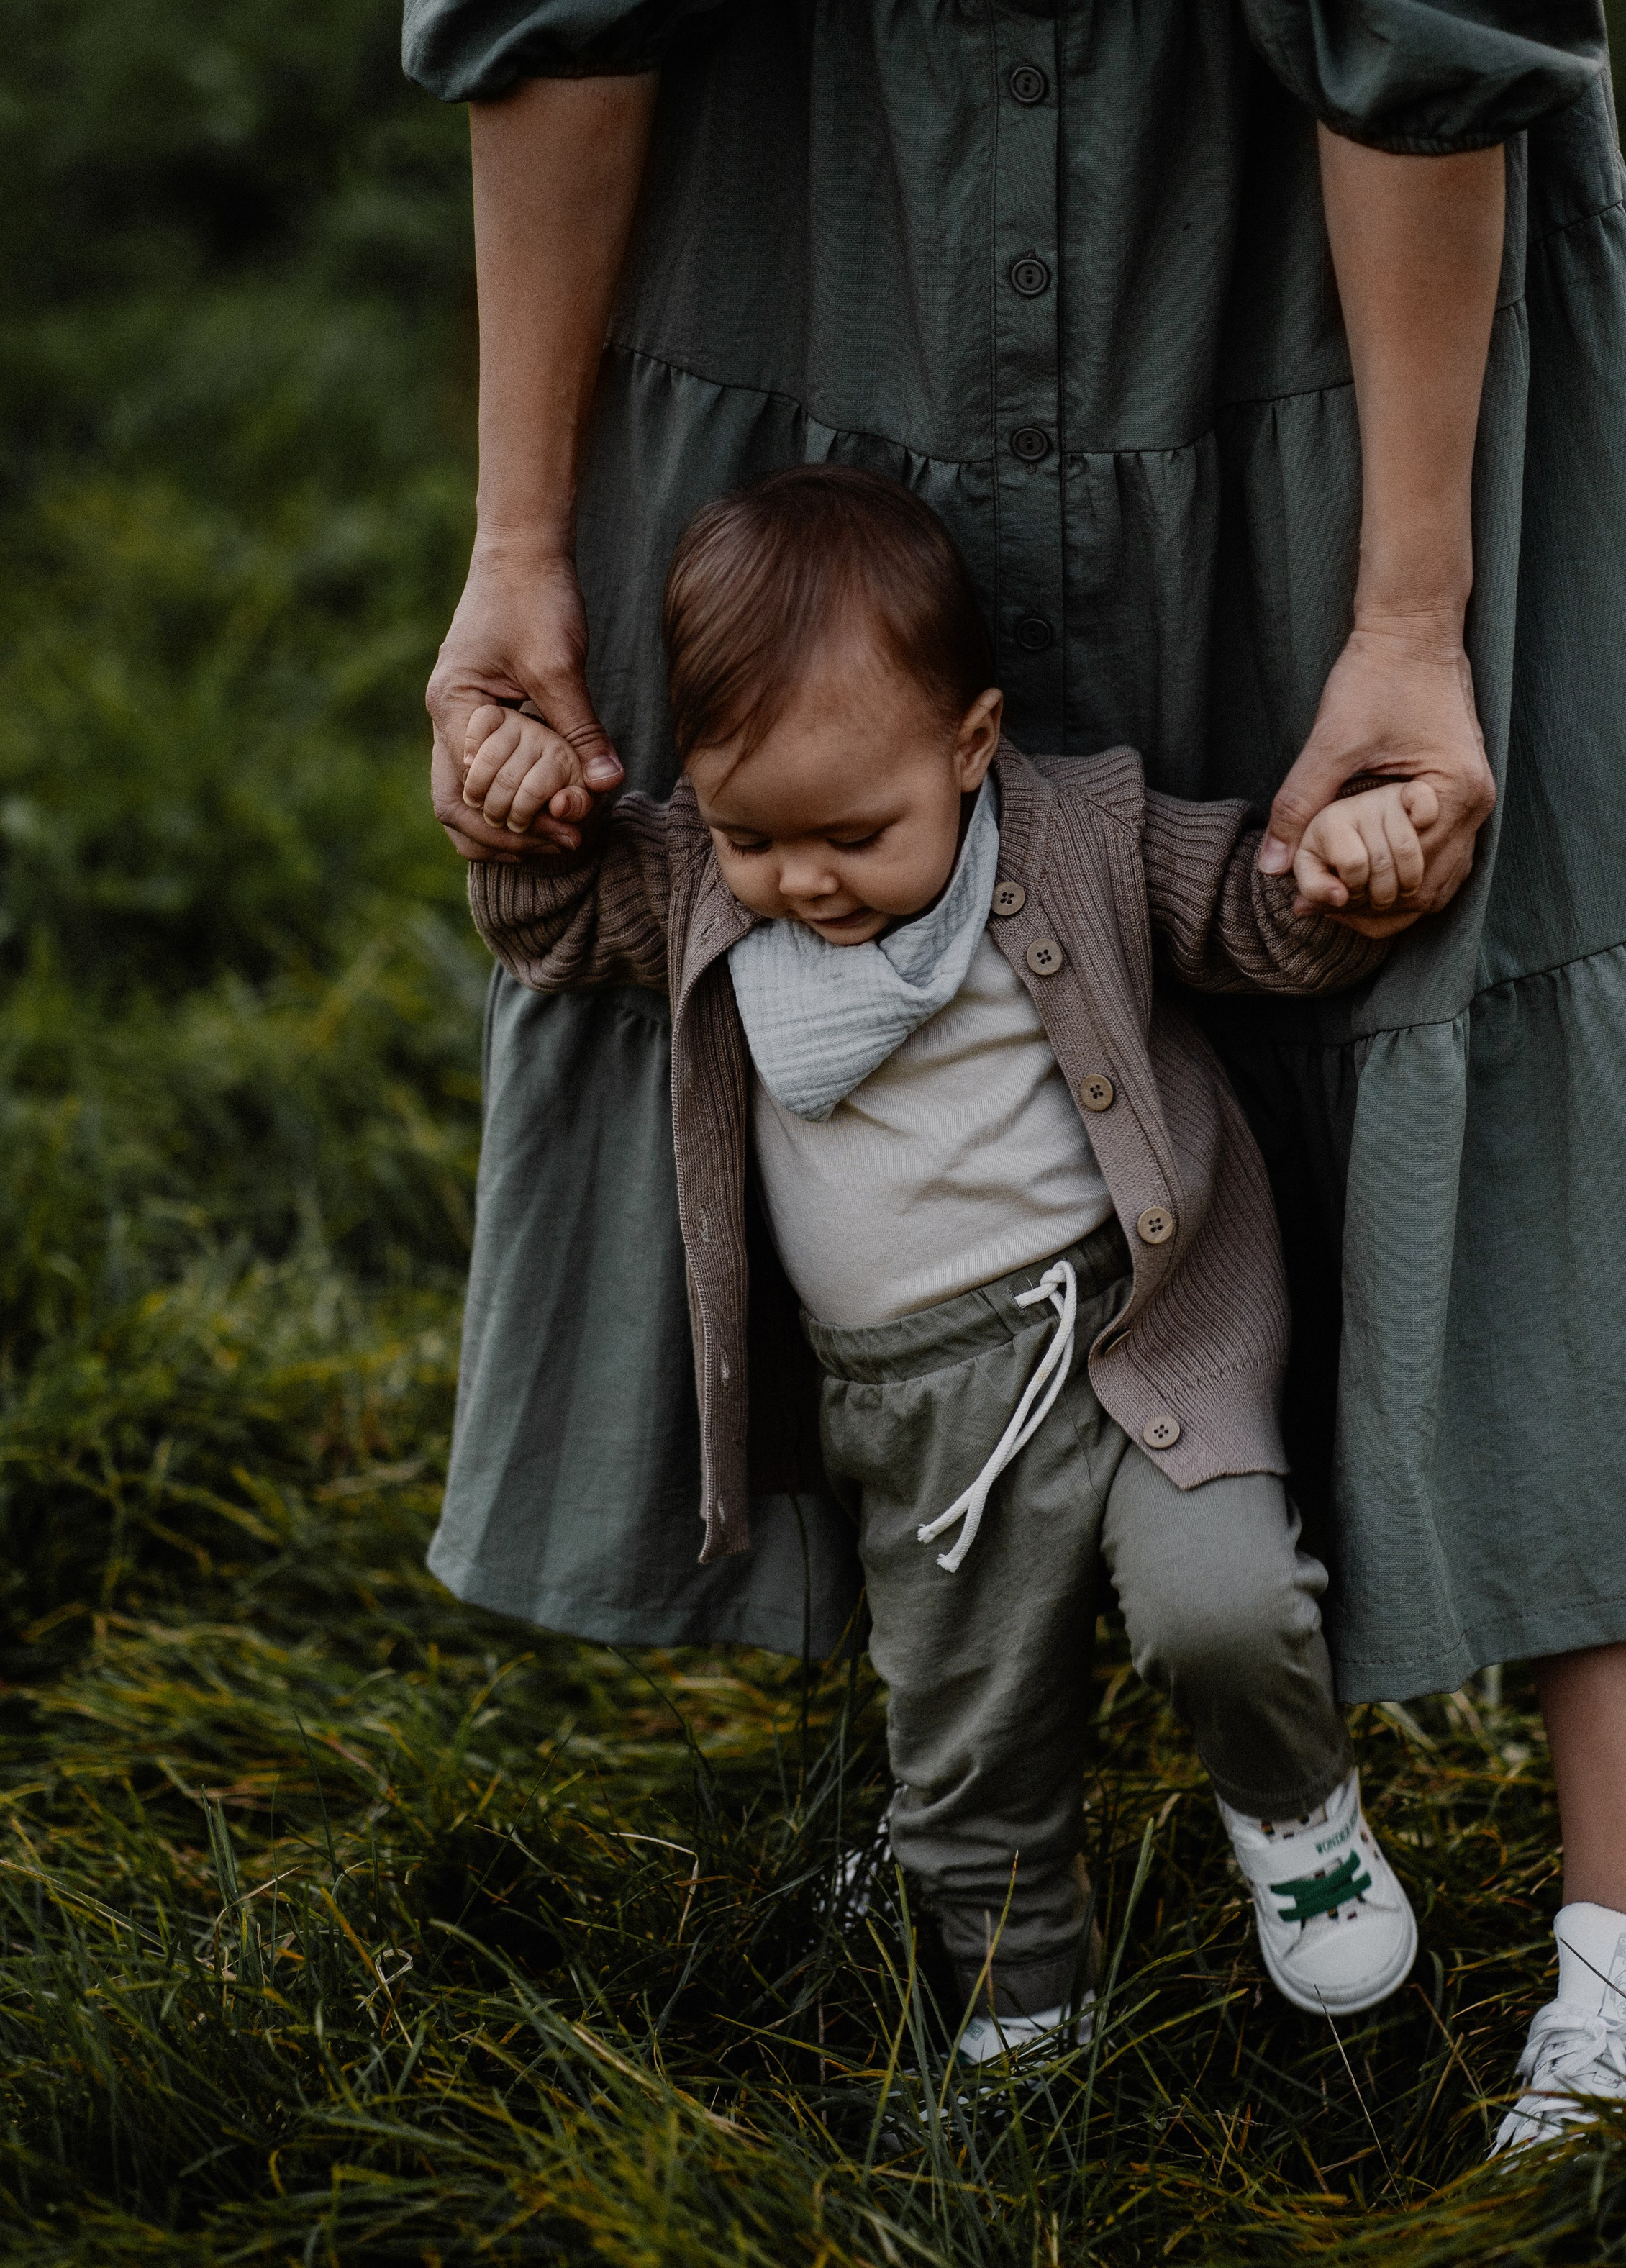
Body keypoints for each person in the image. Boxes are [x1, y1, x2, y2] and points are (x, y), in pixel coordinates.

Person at [380, 0, 1626, 2146]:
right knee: (823, 795)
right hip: (813, 136)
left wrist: (1410, 610)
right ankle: (977, 1815)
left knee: (1480, 911)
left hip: (1335, 164)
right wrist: (519, 539)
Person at [463, 465, 1435, 2045]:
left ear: (971, 745)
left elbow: (1259, 923)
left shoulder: (1080, 838)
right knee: (967, 1744)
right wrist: (520, 814)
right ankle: (1021, 2009)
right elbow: (549, 927)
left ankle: (1298, 1825)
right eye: (751, 833)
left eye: (855, 833)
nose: (803, 881)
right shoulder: (703, 885)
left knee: (1225, 1606)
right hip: (916, 1413)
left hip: (1135, 1342)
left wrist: (1348, 862)